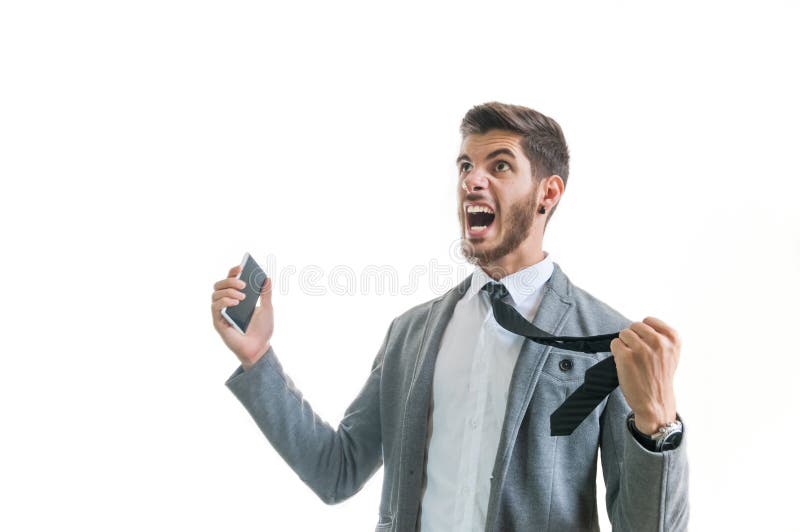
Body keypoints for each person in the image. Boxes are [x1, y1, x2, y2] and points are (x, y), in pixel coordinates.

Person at [210, 102, 689, 531]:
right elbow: (337, 471)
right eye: (465, 165)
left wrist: (658, 426)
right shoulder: (410, 335)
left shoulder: (605, 343)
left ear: (548, 193)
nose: (471, 180)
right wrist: (258, 358)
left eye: (499, 165)